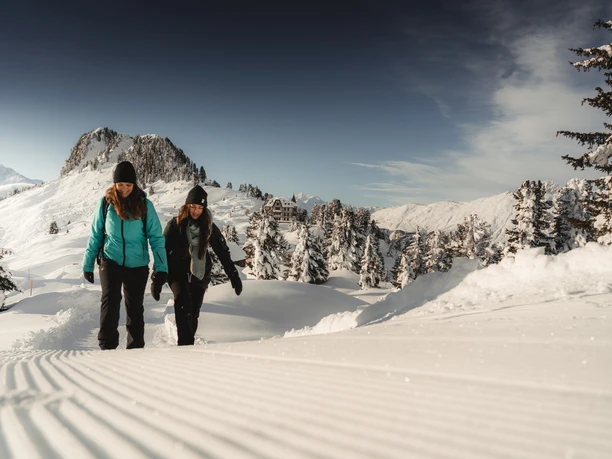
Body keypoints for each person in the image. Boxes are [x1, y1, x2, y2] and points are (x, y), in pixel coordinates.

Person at [82, 161, 168, 350]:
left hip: (137, 263)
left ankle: (135, 348)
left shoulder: (145, 205)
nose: (124, 189)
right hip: (110, 259)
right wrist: (87, 264)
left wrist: (161, 268)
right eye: (120, 184)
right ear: (114, 184)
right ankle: (107, 346)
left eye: (128, 185)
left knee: (135, 308)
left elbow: (156, 238)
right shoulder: (105, 204)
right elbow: (96, 233)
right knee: (110, 301)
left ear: (135, 185)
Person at [158, 185, 242, 345]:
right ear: (187, 206)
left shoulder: (208, 226)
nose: (196, 211)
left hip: (200, 274)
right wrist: (157, 277)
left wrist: (234, 275)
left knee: (193, 313)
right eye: (193, 207)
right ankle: (185, 346)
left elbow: (222, 251)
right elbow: (162, 250)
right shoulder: (175, 225)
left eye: (200, 208)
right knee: (182, 303)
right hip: (178, 272)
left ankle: (187, 344)